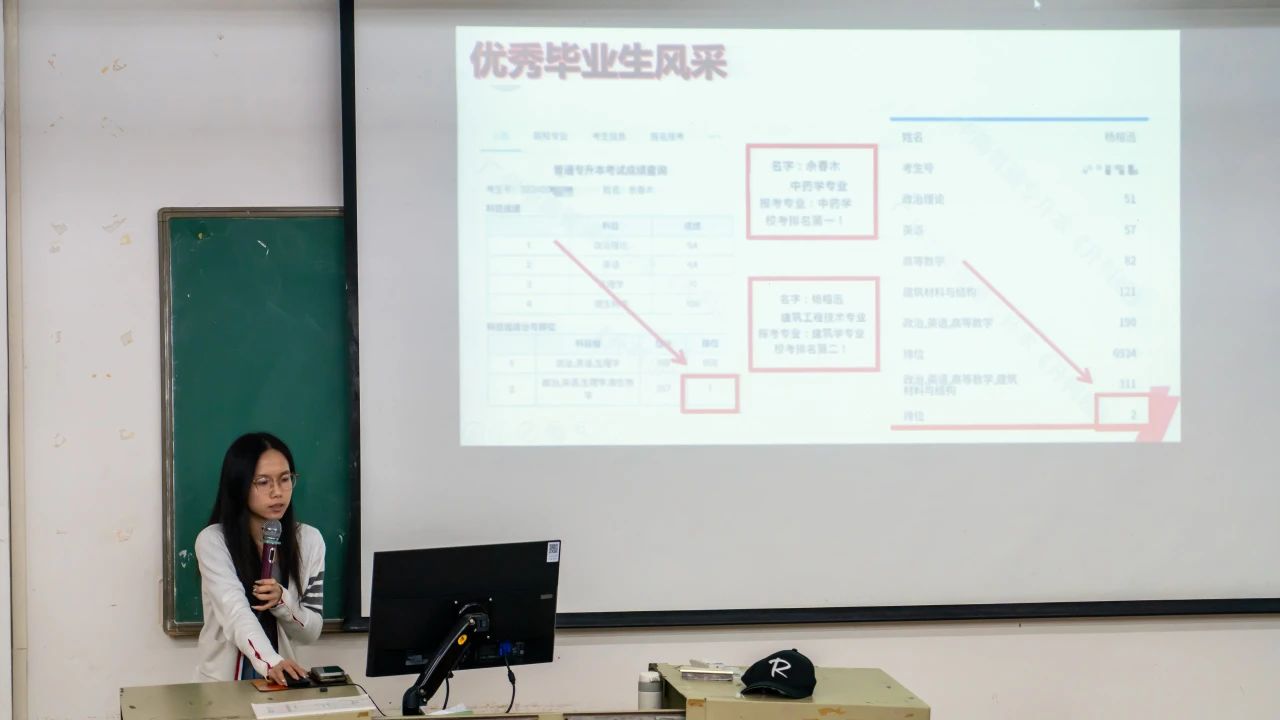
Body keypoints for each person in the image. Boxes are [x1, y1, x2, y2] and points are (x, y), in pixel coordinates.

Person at [194, 432, 325, 684]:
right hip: (223, 687)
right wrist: (271, 662)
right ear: (239, 485)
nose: (277, 492)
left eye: (285, 479)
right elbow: (236, 613)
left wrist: (282, 602)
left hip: (282, 682)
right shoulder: (213, 541)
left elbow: (311, 632)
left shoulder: (309, 540)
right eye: (263, 482)